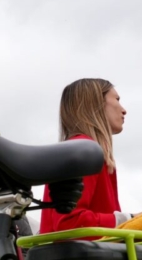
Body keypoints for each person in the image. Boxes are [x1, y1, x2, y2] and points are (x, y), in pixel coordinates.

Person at [40, 78, 129, 235]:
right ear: (97, 104)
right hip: (79, 256)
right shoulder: (82, 152)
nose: (124, 110)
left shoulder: (90, 152)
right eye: (117, 99)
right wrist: (130, 219)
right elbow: (69, 222)